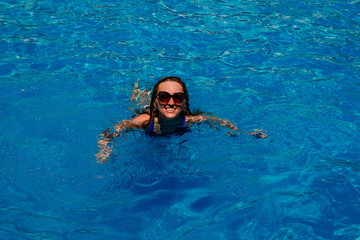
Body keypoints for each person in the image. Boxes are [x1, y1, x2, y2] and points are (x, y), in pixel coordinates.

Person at [96, 76, 268, 163]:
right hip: (149, 111)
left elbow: (218, 121)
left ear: (184, 102)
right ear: (155, 101)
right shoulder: (144, 121)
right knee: (136, 103)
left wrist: (244, 133)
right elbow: (115, 129)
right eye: (163, 96)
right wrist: (105, 148)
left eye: (177, 98)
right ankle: (137, 92)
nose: (171, 102)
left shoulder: (191, 120)